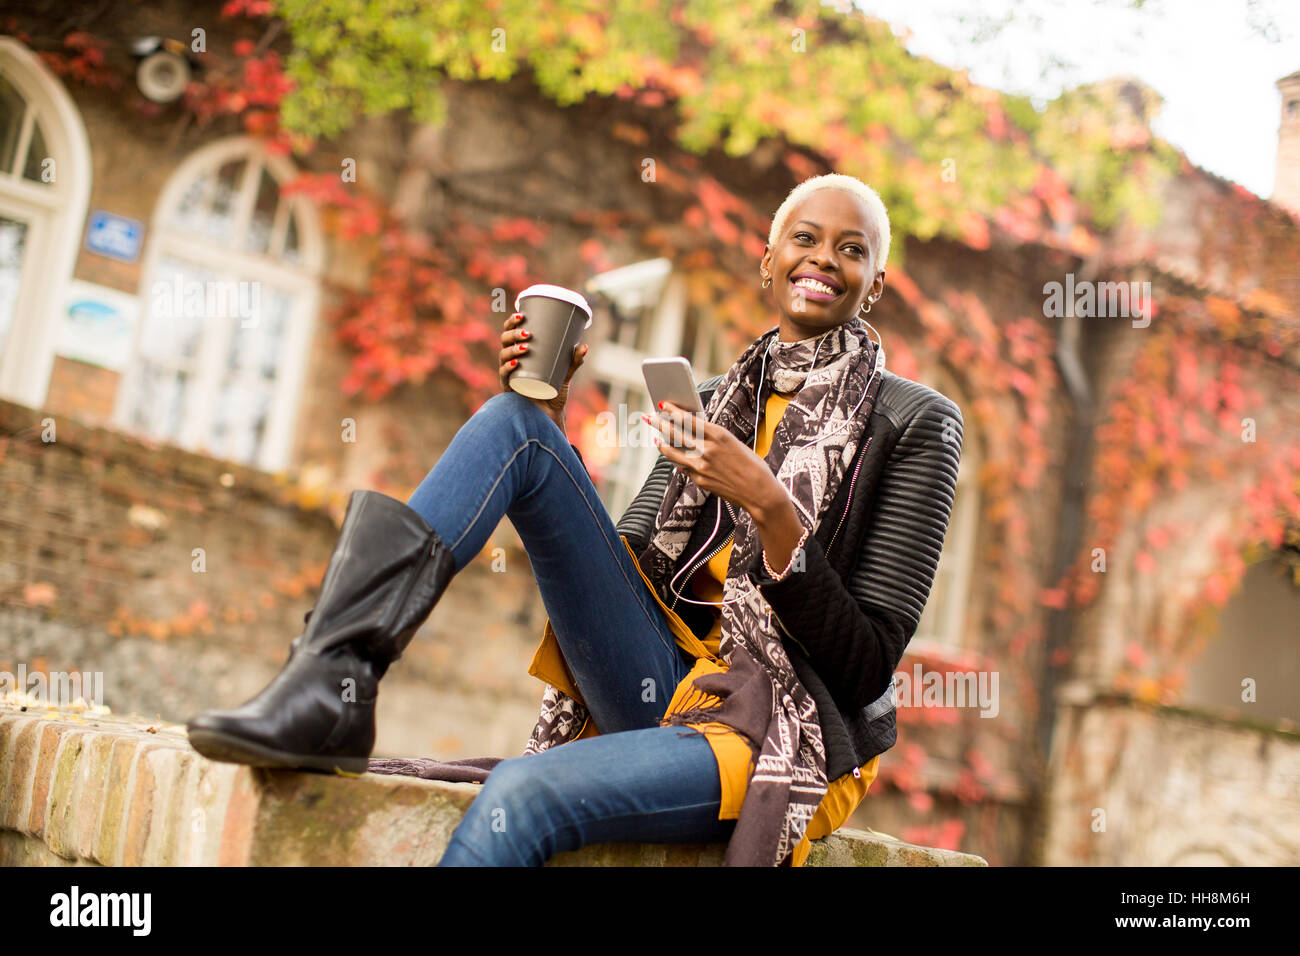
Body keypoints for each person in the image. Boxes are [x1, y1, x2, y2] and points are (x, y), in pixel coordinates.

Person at [186, 172, 963, 867]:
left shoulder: (916, 421)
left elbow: (865, 667)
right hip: (660, 682)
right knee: (512, 424)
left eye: (850, 249)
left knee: (522, 796)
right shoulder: (725, 399)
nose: (823, 258)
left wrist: (767, 505)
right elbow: (621, 573)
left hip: (780, 731)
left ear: (876, 283)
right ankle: (333, 681)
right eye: (805, 239)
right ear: (767, 262)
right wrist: (553, 425)